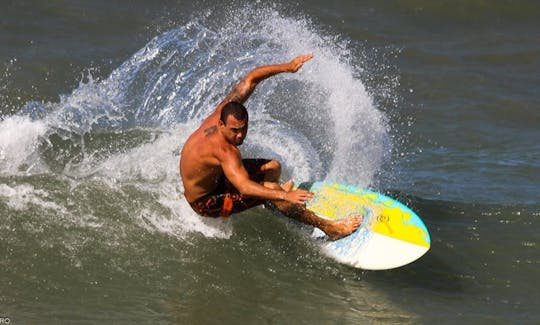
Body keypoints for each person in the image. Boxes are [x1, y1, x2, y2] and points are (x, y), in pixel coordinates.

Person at [179, 54, 361, 240]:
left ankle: (275, 199)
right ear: (221, 124)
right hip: (205, 202)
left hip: (216, 180)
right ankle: (329, 228)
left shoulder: (222, 113)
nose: (240, 135)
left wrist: (288, 66)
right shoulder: (225, 151)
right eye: (234, 131)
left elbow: (251, 79)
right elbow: (244, 187)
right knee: (275, 193)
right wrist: (283, 196)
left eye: (243, 129)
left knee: (273, 167)